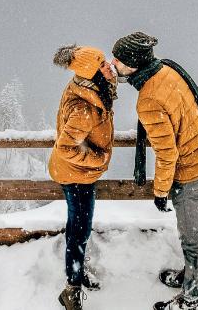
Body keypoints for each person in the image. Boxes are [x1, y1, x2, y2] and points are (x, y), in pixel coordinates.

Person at [111, 32, 198, 310]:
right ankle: (190, 277)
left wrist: (160, 191)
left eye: (119, 60)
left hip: (190, 171)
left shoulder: (149, 98)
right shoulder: (167, 69)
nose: (114, 64)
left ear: (133, 65)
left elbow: (167, 152)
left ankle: (191, 298)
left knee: (192, 237)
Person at [50, 45, 117, 310]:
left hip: (76, 172)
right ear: (91, 73)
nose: (108, 66)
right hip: (76, 176)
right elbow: (65, 147)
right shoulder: (84, 109)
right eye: (102, 64)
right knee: (80, 230)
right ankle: (71, 289)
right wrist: (97, 160)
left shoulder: (86, 88)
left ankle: (77, 273)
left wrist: (109, 78)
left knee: (78, 227)